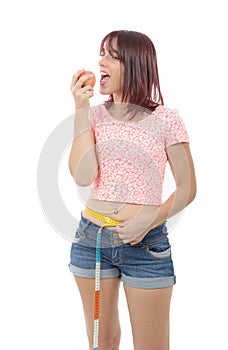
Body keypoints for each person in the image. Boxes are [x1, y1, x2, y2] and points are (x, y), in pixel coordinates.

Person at [68, 30, 196, 350]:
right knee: (103, 343)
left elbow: (188, 187)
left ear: (136, 64)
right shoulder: (93, 115)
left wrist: (148, 220)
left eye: (112, 56)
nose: (101, 62)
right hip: (91, 241)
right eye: (102, 54)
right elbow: (83, 176)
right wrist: (80, 109)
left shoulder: (166, 119)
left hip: (146, 246)